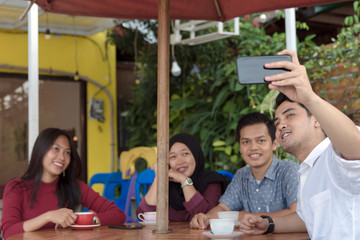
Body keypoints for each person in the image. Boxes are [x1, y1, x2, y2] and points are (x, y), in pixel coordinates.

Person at [240, 49, 360, 240]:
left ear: (317, 120)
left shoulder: (335, 156)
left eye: (290, 115)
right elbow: (306, 219)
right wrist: (268, 224)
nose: (281, 125)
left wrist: (309, 98)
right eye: (277, 122)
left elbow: (356, 146)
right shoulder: (307, 169)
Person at [0, 128, 125, 239]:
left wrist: (87, 220)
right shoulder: (16, 187)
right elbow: (8, 232)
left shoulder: (75, 186)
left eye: (67, 152)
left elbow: (118, 215)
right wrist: (47, 217)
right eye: (56, 149)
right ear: (41, 150)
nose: (62, 157)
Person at [190, 112, 299, 229]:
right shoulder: (242, 175)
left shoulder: (289, 171)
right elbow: (223, 208)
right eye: (246, 142)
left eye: (261, 141)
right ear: (240, 147)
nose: (253, 147)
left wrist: (248, 216)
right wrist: (205, 218)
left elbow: (297, 213)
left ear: (274, 144)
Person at [136, 133, 227, 221]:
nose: (180, 161)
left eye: (185, 154)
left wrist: (184, 181)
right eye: (173, 157)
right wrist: (159, 178)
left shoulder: (212, 181)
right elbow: (143, 216)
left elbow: (205, 217)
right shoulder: (167, 183)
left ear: (196, 155)